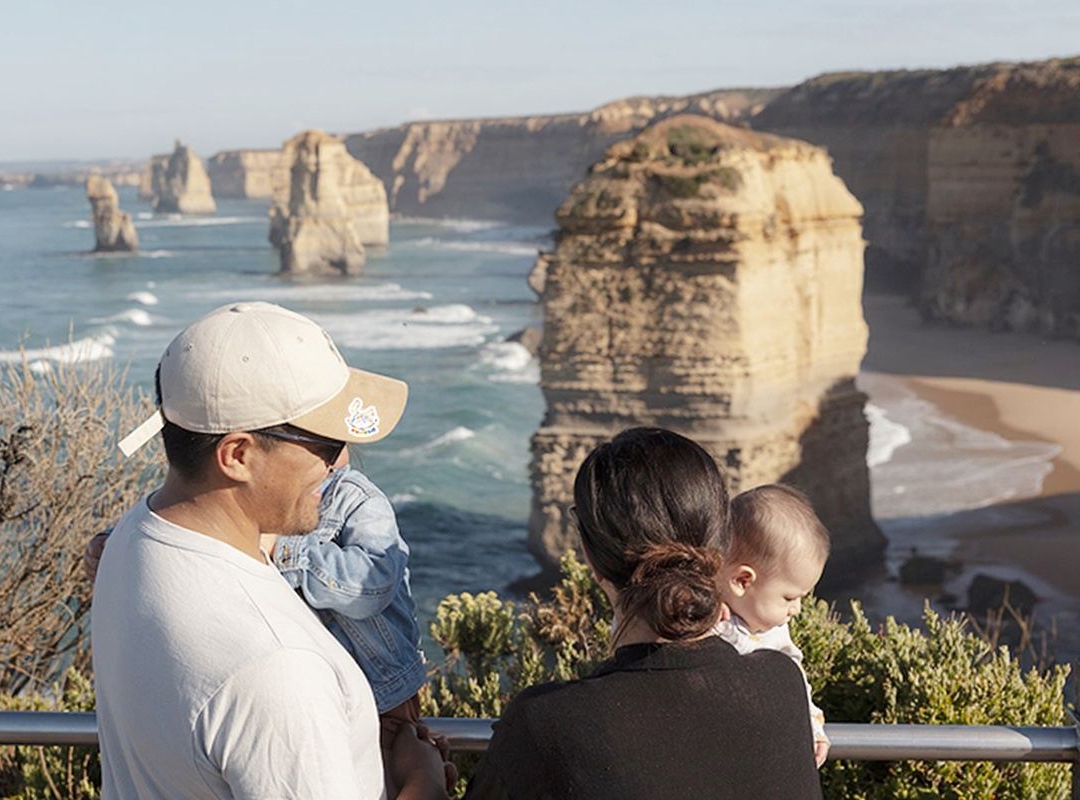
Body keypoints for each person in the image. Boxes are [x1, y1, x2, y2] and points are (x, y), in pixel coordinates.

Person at [91, 301, 449, 799]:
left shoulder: (131, 540)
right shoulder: (279, 670)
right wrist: (424, 782)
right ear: (238, 455)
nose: (337, 466)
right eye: (327, 445)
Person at [464, 428, 823, 800]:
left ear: (591, 559)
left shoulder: (544, 724)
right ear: (718, 542)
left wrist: (427, 780)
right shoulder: (783, 686)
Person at [269, 451, 428, 727]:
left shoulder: (355, 498)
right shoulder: (274, 495)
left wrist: (282, 549)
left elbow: (373, 584)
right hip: (310, 687)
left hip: (379, 692)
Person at [714, 484, 832, 766]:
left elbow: (795, 686)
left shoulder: (775, 635)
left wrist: (812, 729)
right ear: (743, 581)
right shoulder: (702, 614)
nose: (797, 609)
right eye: (789, 597)